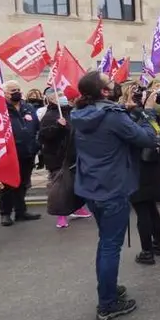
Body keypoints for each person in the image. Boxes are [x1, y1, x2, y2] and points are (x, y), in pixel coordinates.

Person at [70, 72, 157, 320]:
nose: (115, 82)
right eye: (110, 81)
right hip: (113, 188)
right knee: (110, 246)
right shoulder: (112, 117)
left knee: (105, 242)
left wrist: (124, 111)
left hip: (92, 187)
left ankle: (107, 289)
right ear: (105, 92)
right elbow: (147, 139)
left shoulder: (80, 114)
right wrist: (146, 112)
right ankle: (107, 304)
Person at [124, 90, 160, 266]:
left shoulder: (130, 119)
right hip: (154, 168)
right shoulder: (151, 116)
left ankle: (147, 251)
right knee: (151, 208)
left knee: (143, 211)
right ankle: (157, 244)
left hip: (139, 169)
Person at [38, 91, 91, 229]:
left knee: (75, 184)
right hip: (57, 157)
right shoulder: (49, 116)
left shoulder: (71, 112)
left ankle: (76, 208)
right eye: (58, 95)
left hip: (73, 154)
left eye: (62, 94)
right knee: (60, 188)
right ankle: (61, 215)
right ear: (51, 99)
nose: (62, 97)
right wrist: (57, 127)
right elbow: (44, 135)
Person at [0, 81, 41, 226]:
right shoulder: (0, 109)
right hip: (9, 154)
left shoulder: (28, 107)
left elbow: (37, 127)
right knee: (8, 185)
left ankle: (21, 211)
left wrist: (36, 144)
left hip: (27, 152)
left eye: (18, 89)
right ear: (4, 93)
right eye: (12, 91)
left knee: (23, 183)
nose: (16, 92)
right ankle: (5, 213)